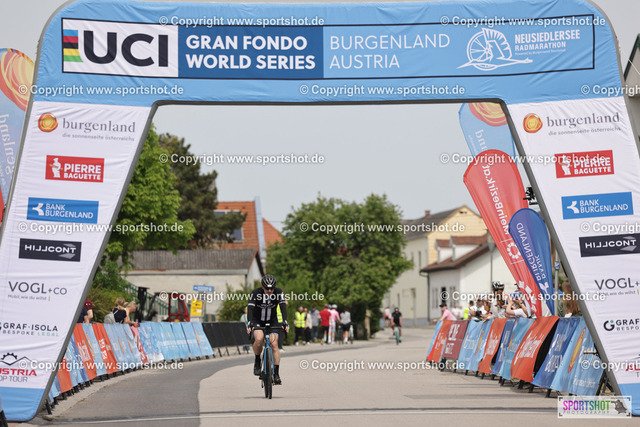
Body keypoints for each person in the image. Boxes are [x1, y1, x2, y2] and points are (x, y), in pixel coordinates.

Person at [246, 274, 289, 385]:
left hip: (272, 320)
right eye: (267, 288)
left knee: (274, 345)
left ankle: (276, 373)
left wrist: (285, 321)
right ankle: (257, 359)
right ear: (262, 287)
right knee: (259, 339)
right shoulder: (256, 293)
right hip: (257, 320)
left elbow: (283, 307)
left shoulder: (278, 292)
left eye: (272, 288)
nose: (269, 291)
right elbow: (250, 308)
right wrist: (250, 323)